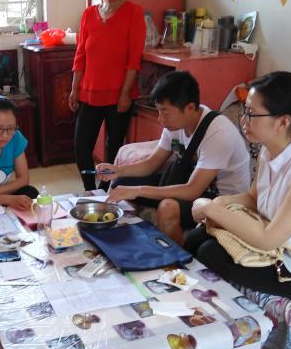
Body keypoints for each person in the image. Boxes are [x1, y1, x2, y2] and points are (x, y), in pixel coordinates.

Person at [185, 71, 291, 302]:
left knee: (209, 252)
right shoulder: (268, 148)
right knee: (197, 237)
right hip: (281, 249)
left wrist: (211, 209)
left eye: (252, 114)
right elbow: (254, 198)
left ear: (283, 122)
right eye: (244, 110)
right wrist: (218, 203)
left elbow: (268, 239)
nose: (243, 120)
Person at [101, 71, 251, 244]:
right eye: (158, 111)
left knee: (168, 207)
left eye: (165, 113)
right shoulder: (177, 124)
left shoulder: (218, 133)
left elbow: (192, 190)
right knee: (121, 183)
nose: (160, 119)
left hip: (222, 200)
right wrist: (118, 170)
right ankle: (128, 240)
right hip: (189, 183)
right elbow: (151, 164)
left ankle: (177, 258)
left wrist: (138, 190)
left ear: (190, 108)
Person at [69, 0, 146, 191]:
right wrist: (74, 88)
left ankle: (105, 190)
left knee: (113, 149)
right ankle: (90, 189)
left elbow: (134, 59)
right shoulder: (88, 14)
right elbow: (80, 54)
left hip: (119, 95)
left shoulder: (134, 13)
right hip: (89, 92)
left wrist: (125, 93)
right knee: (81, 147)